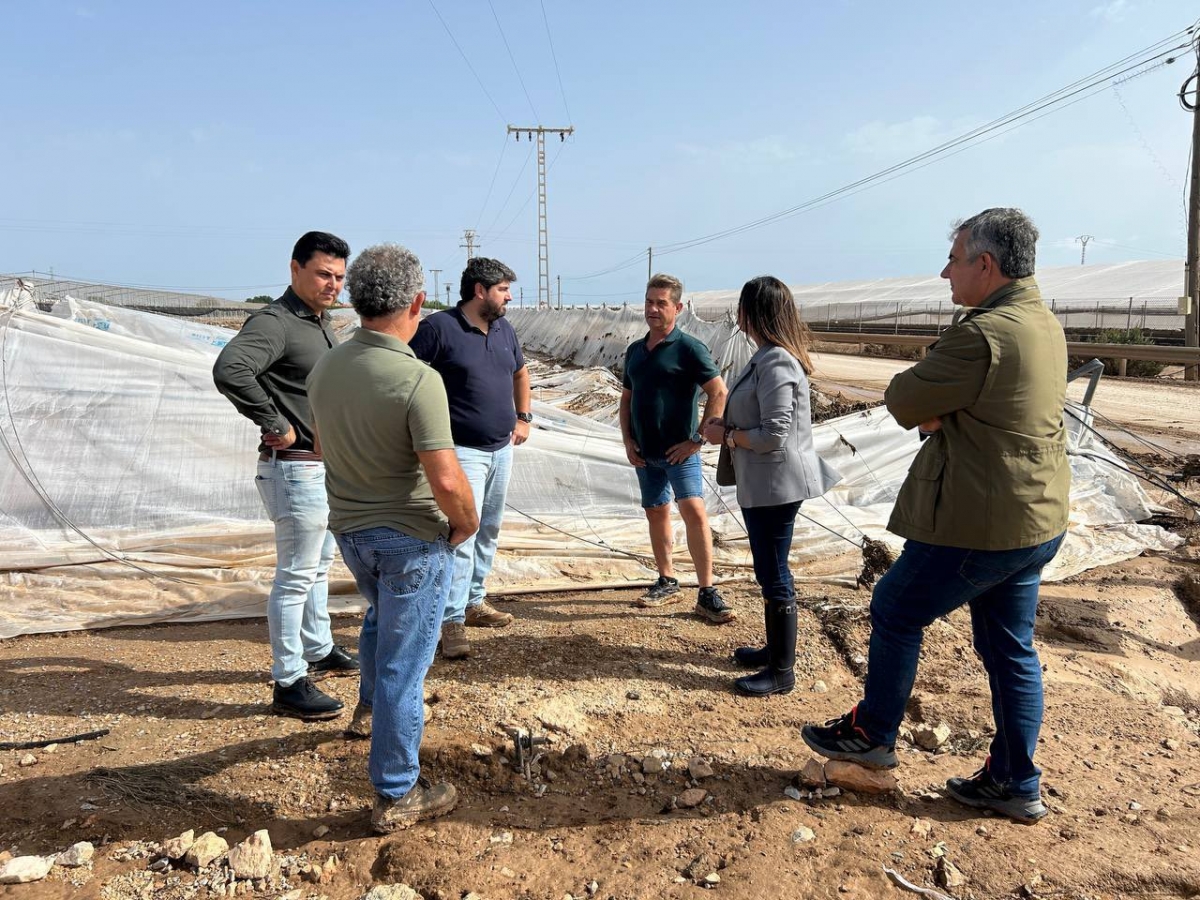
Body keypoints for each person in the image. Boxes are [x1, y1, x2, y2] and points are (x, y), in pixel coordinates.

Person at [801, 208, 1070, 824]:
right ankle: (1014, 780)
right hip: (1036, 515)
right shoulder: (1042, 322)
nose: (945, 272)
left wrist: (941, 408)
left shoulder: (983, 334)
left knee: (896, 607)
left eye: (954, 259)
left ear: (986, 264)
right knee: (1010, 648)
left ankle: (872, 734)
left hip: (983, 519)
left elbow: (902, 399)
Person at [307, 243, 479, 833]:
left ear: (356, 298)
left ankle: (367, 711)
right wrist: (467, 524)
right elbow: (446, 477)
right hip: (409, 537)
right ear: (418, 301)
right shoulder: (416, 378)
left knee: (382, 620)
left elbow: (326, 450)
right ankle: (398, 789)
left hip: (352, 533)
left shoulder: (327, 367)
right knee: (406, 665)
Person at [213, 232, 359, 721]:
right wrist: (275, 423)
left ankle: (318, 649)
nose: (332, 284)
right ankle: (289, 680)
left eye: (339, 277)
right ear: (295, 269)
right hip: (293, 469)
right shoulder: (276, 322)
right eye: (323, 274)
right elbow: (232, 368)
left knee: (318, 566)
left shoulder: (320, 324)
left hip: (319, 468)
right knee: (296, 574)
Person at [700, 276, 841, 696]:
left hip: (776, 485)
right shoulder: (764, 356)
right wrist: (729, 427)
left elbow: (775, 433)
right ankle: (773, 651)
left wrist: (726, 436)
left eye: (742, 307)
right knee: (768, 568)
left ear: (754, 312)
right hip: (763, 482)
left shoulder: (778, 361)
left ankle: (782, 670)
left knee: (774, 571)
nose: (736, 315)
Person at [409, 257, 530, 660]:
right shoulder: (438, 329)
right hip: (460, 450)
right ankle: (450, 619)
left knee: (489, 528)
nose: (509, 297)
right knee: (463, 530)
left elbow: (520, 373)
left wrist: (523, 416)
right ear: (479, 290)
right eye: (503, 289)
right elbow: (409, 379)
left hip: (500, 448)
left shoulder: (504, 329)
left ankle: (475, 601)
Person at [620, 273, 733, 623]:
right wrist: (627, 439)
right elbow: (627, 398)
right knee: (656, 511)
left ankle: (707, 591)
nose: (653, 309)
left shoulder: (689, 348)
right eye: (649, 301)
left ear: (678, 308)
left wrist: (697, 440)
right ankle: (667, 579)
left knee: (694, 512)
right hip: (645, 453)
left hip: (679, 452)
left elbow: (719, 393)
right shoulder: (636, 351)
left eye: (661, 303)